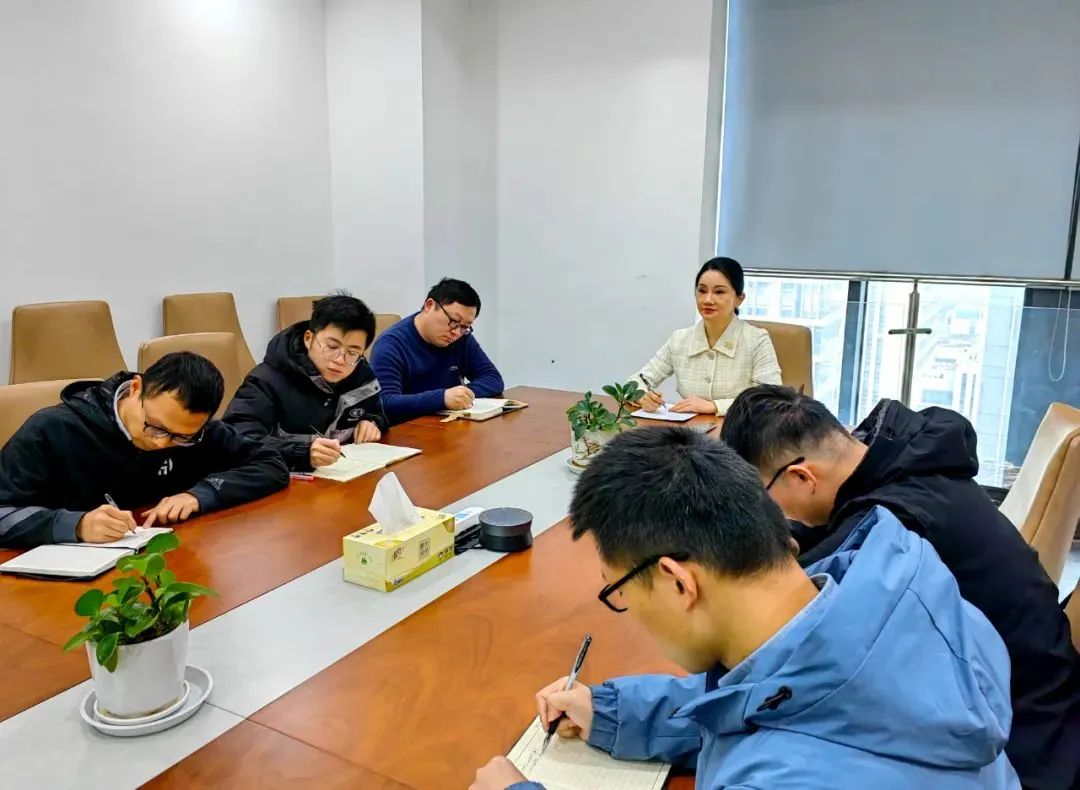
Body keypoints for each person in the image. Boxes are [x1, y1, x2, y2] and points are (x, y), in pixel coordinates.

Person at [470, 428, 1018, 790]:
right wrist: (615, 711)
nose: (629, 610)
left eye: (620, 593)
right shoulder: (898, 604)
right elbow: (780, 698)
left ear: (678, 582)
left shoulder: (785, 778)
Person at [720, 385, 1080, 789]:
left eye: (768, 500)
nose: (777, 514)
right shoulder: (901, 455)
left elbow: (790, 623)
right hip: (1039, 692)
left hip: (1021, 747)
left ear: (803, 477)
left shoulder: (892, 528)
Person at [0, 352, 289, 548]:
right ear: (136, 388)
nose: (162, 443)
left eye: (181, 437)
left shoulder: (198, 433)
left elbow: (270, 463)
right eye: (155, 427)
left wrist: (200, 495)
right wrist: (75, 525)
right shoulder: (52, 429)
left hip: (163, 564)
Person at [223, 293, 389, 471]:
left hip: (347, 476)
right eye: (332, 347)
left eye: (353, 352)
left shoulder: (361, 375)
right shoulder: (266, 381)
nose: (340, 360)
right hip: (285, 478)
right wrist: (301, 453)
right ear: (308, 338)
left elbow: (376, 411)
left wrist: (372, 421)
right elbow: (237, 438)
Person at [630, 257, 781, 417]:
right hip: (689, 429)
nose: (708, 300)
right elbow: (635, 382)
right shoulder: (679, 339)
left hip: (740, 429)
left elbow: (771, 399)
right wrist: (643, 397)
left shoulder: (757, 340)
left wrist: (714, 406)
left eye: (719, 292)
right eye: (702, 291)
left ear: (739, 299)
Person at [370, 277, 504, 424]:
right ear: (429, 305)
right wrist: (442, 398)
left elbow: (492, 378)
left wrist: (462, 395)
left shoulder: (461, 338)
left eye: (465, 327)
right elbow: (385, 402)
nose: (456, 332)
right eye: (454, 321)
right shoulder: (390, 344)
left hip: (450, 424)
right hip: (410, 429)